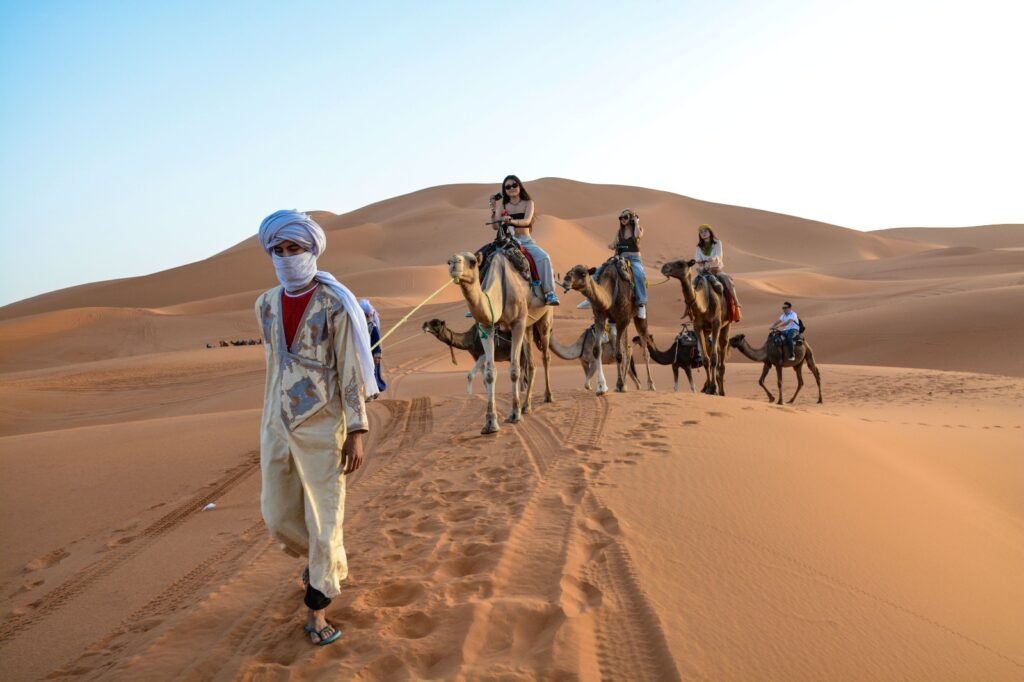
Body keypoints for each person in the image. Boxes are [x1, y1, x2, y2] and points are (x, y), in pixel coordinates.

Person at [255, 209, 378, 647]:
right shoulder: (265, 304)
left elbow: (348, 370)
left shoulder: (333, 303)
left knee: (324, 519)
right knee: (277, 514)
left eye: (295, 248)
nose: (287, 257)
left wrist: (357, 430)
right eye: (280, 250)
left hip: (325, 426)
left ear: (312, 250)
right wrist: (270, 421)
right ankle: (322, 563)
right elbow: (274, 366)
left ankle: (318, 610)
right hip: (276, 424)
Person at [490, 175, 559, 306]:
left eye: (514, 185)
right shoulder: (502, 207)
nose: (511, 188)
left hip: (525, 241)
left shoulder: (528, 203)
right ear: (504, 190)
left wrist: (511, 221)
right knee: (486, 261)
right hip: (506, 242)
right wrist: (493, 209)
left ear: (520, 186)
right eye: (507, 187)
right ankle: (481, 298)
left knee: (544, 257)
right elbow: (495, 226)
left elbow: (527, 221)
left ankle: (550, 292)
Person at [577, 208, 648, 319]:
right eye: (621, 218)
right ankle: (590, 299)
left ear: (631, 218)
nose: (623, 220)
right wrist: (612, 246)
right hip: (620, 258)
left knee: (639, 275)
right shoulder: (619, 232)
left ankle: (641, 304)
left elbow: (637, 236)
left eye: (625, 217)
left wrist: (636, 222)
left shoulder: (639, 229)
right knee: (599, 271)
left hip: (634, 259)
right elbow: (613, 243)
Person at [693, 224, 742, 321]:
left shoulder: (717, 243)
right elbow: (697, 258)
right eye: (701, 232)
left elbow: (719, 255)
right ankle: (690, 309)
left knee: (728, 281)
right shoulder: (698, 247)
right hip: (704, 272)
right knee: (692, 285)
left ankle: (736, 302)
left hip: (716, 270)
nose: (703, 234)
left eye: (705, 231)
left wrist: (713, 258)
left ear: (710, 232)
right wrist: (700, 261)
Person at [359, 298, 387, 393]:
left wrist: (376, 355)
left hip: (372, 353)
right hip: (364, 353)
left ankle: (373, 390)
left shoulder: (372, 326)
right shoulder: (361, 325)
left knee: (372, 373)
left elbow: (376, 341)